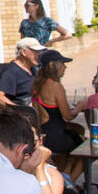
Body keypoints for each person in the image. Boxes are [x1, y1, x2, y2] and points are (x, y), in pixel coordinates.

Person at [31, 49, 84, 178]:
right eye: (62, 63)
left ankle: (64, 176)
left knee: (79, 133)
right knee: (86, 151)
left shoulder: (36, 84)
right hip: (57, 137)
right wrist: (80, 107)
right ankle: (70, 182)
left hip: (44, 134)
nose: (65, 67)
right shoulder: (55, 86)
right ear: (52, 65)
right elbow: (68, 116)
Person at [0, 38, 43, 109]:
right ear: (23, 52)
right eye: (35, 51)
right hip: (21, 116)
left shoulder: (33, 69)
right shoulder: (11, 72)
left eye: (39, 51)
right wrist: (20, 111)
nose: (39, 54)